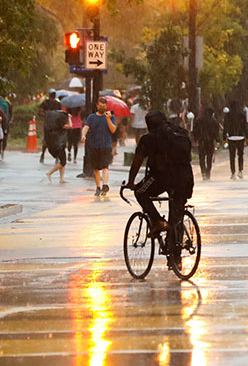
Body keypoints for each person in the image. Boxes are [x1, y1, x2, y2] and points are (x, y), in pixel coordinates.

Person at [127, 111, 194, 271]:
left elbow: (137, 162)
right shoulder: (181, 133)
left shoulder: (149, 138)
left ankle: (157, 221)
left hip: (162, 177)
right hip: (185, 178)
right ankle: (176, 259)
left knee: (140, 192)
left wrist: (131, 182)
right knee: (176, 214)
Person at [81, 97, 117, 196]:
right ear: (97, 106)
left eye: (104, 106)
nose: (102, 108)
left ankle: (105, 185)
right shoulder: (91, 117)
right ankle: (98, 187)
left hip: (106, 145)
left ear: (106, 106)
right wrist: (83, 135)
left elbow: (113, 130)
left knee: (105, 167)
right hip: (94, 145)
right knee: (96, 169)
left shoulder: (110, 116)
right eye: (100, 106)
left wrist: (108, 119)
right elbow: (86, 127)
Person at [44, 106, 71, 183]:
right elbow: (71, 126)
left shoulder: (55, 126)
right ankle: (50, 173)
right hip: (60, 145)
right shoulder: (62, 125)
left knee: (62, 161)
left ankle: (61, 179)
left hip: (56, 144)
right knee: (63, 162)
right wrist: (69, 118)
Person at [191, 107, 219, 180]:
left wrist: (196, 139)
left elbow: (195, 130)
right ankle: (208, 172)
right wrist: (217, 140)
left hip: (201, 141)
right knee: (209, 157)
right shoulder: (214, 121)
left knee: (202, 157)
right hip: (210, 141)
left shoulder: (198, 120)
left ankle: (203, 172)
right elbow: (216, 132)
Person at [223, 100, 248, 179]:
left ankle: (233, 173)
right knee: (240, 155)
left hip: (231, 137)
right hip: (241, 137)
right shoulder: (242, 115)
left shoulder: (228, 115)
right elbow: (245, 126)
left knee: (232, 155)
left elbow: (225, 127)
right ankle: (240, 171)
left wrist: (224, 137)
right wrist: (247, 136)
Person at [38, 89, 62, 163]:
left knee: (46, 139)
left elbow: (40, 112)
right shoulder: (57, 104)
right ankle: (56, 157)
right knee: (56, 140)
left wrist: (46, 115)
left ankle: (43, 154)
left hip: (49, 123)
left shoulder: (45, 103)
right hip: (55, 124)